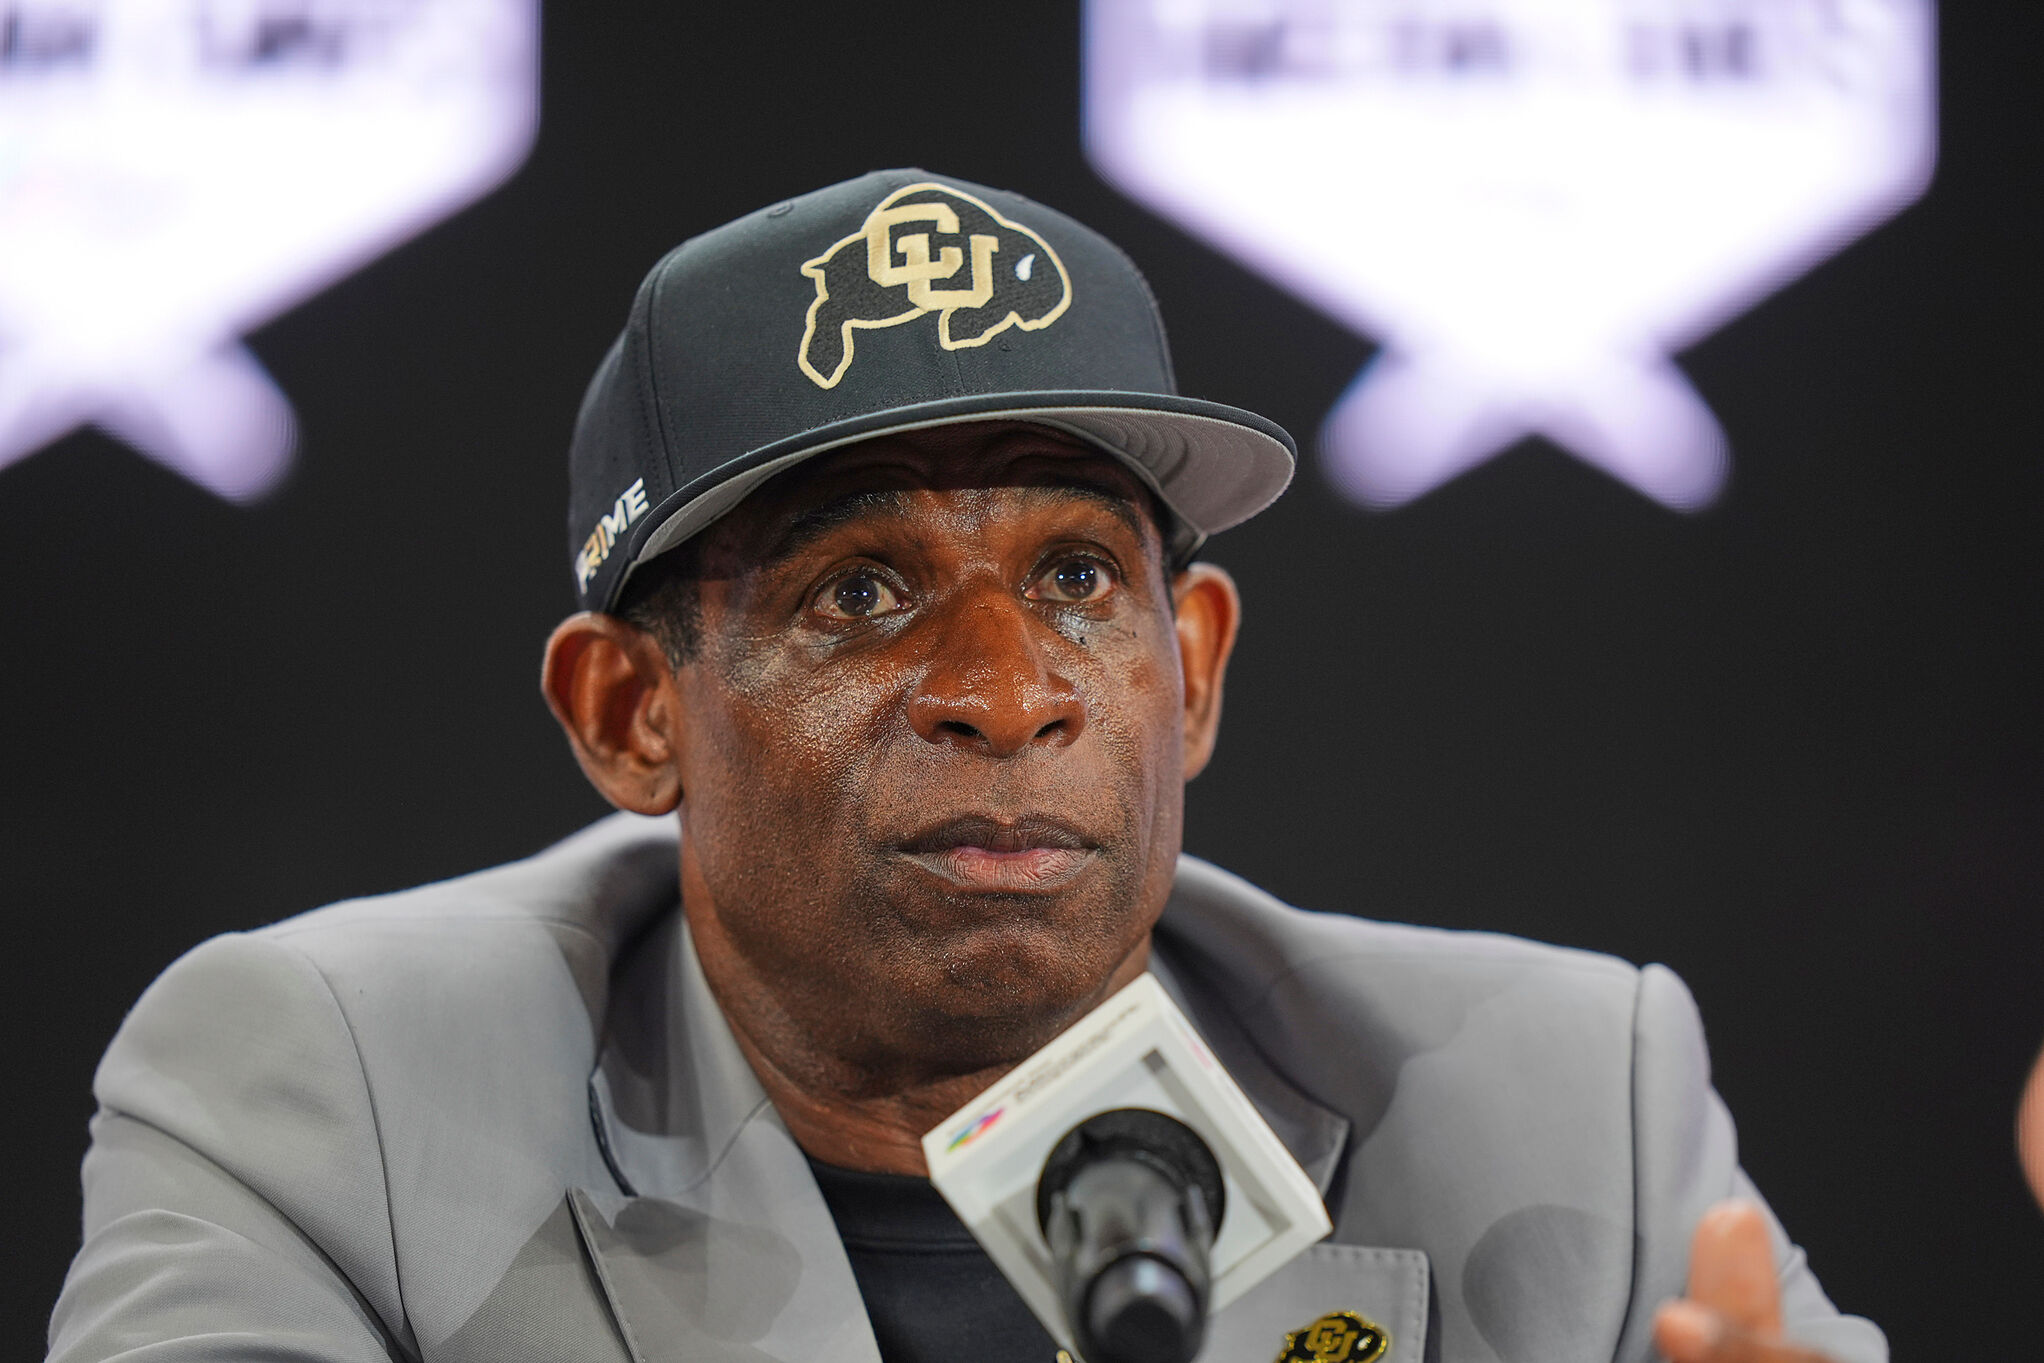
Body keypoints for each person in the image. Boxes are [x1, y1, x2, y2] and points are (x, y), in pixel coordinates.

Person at [47, 170, 1884, 1363]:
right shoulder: (318, 1094)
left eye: (1079, 579)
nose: (1005, 694)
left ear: (1193, 666)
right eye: (863, 590)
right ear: (630, 715)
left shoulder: (1574, 1109)